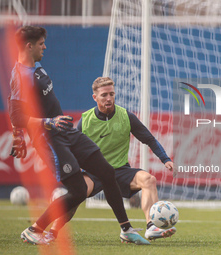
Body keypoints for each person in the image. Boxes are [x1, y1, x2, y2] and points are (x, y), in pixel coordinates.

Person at [8, 26, 150, 245]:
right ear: (29, 46)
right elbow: (17, 115)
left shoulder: (36, 68)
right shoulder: (20, 75)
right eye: (41, 43)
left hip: (66, 132)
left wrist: (23, 134)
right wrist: (47, 123)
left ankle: (126, 229)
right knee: (78, 191)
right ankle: (34, 229)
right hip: (49, 139)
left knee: (106, 171)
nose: (45, 47)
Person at [43, 77, 176, 243]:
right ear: (95, 97)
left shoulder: (126, 116)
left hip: (120, 170)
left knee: (149, 180)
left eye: (111, 94)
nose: (109, 98)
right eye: (104, 95)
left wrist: (165, 159)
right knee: (77, 195)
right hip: (93, 172)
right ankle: (52, 232)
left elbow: (149, 139)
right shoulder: (86, 120)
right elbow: (70, 147)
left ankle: (151, 227)